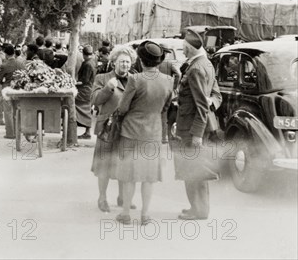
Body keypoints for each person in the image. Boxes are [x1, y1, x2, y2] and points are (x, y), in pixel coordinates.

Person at [114, 41, 173, 226]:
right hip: (153, 133)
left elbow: (123, 107)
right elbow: (166, 107)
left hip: (131, 132)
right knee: (148, 177)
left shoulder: (135, 79)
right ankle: (145, 214)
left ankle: (125, 214)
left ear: (141, 60)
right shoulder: (169, 81)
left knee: (129, 175)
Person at [173, 29, 221, 221]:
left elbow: (200, 105)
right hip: (194, 125)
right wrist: (211, 103)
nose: (183, 51)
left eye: (184, 48)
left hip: (193, 129)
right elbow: (216, 96)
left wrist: (197, 135)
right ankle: (196, 207)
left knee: (194, 171)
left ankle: (199, 211)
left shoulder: (195, 69)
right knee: (192, 170)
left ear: (190, 48)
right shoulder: (206, 64)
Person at [91, 45, 136, 213]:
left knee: (124, 164)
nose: (125, 65)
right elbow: (95, 100)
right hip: (107, 128)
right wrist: (108, 88)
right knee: (105, 165)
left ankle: (122, 197)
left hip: (127, 128)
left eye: (128, 61)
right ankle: (102, 197)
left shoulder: (135, 79)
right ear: (114, 62)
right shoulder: (102, 78)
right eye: (122, 61)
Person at [0, 44, 25, 139]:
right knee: (17, 110)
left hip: (7, 90)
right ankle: (18, 130)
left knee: (8, 112)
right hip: (18, 89)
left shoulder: (4, 65)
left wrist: (4, 81)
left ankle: (10, 133)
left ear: (6, 54)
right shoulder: (20, 63)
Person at [76, 46, 96, 139]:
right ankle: (86, 130)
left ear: (83, 54)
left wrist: (74, 83)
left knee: (83, 109)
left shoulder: (88, 64)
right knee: (87, 110)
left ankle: (87, 132)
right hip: (88, 89)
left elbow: (84, 80)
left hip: (85, 90)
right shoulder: (92, 62)